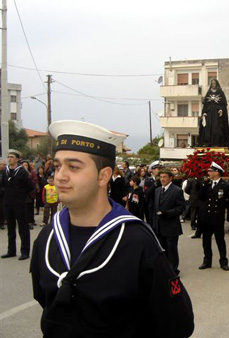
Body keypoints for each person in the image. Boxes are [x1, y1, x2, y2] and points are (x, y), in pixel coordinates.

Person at [30, 120, 194, 337]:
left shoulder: (136, 241)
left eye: (74, 167)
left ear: (103, 176)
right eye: (58, 166)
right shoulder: (48, 236)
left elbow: (176, 323)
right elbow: (46, 300)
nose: (60, 176)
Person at [198, 162, 229, 271]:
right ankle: (207, 261)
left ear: (217, 172)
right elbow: (201, 197)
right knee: (206, 241)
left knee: (220, 240)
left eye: (210, 171)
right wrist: (204, 184)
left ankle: (223, 262)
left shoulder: (225, 185)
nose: (208, 173)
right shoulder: (206, 184)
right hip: (206, 217)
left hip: (217, 217)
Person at [1, 149, 34, 260]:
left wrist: (21, 195)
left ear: (17, 159)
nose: (9, 158)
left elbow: (30, 186)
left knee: (23, 228)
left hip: (20, 203)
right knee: (10, 228)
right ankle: (11, 251)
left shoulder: (22, 172)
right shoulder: (5, 171)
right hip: (8, 203)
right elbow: (3, 185)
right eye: (9, 156)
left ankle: (25, 252)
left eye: (12, 157)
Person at [153, 170, 185, 275]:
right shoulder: (157, 190)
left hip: (171, 226)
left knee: (171, 250)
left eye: (165, 177)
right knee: (162, 250)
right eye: (161, 177)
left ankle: (173, 270)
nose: (162, 179)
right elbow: (155, 208)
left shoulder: (177, 191)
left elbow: (181, 208)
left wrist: (167, 213)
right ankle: (164, 269)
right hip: (159, 226)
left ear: (170, 178)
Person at [198, 79, 229, 152]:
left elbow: (223, 104)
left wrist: (221, 109)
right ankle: (207, 142)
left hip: (217, 116)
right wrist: (204, 112)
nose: (213, 85)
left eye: (214, 83)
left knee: (217, 128)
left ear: (216, 84)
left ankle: (217, 142)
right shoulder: (208, 93)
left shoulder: (220, 92)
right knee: (208, 128)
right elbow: (205, 104)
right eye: (212, 83)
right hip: (209, 114)